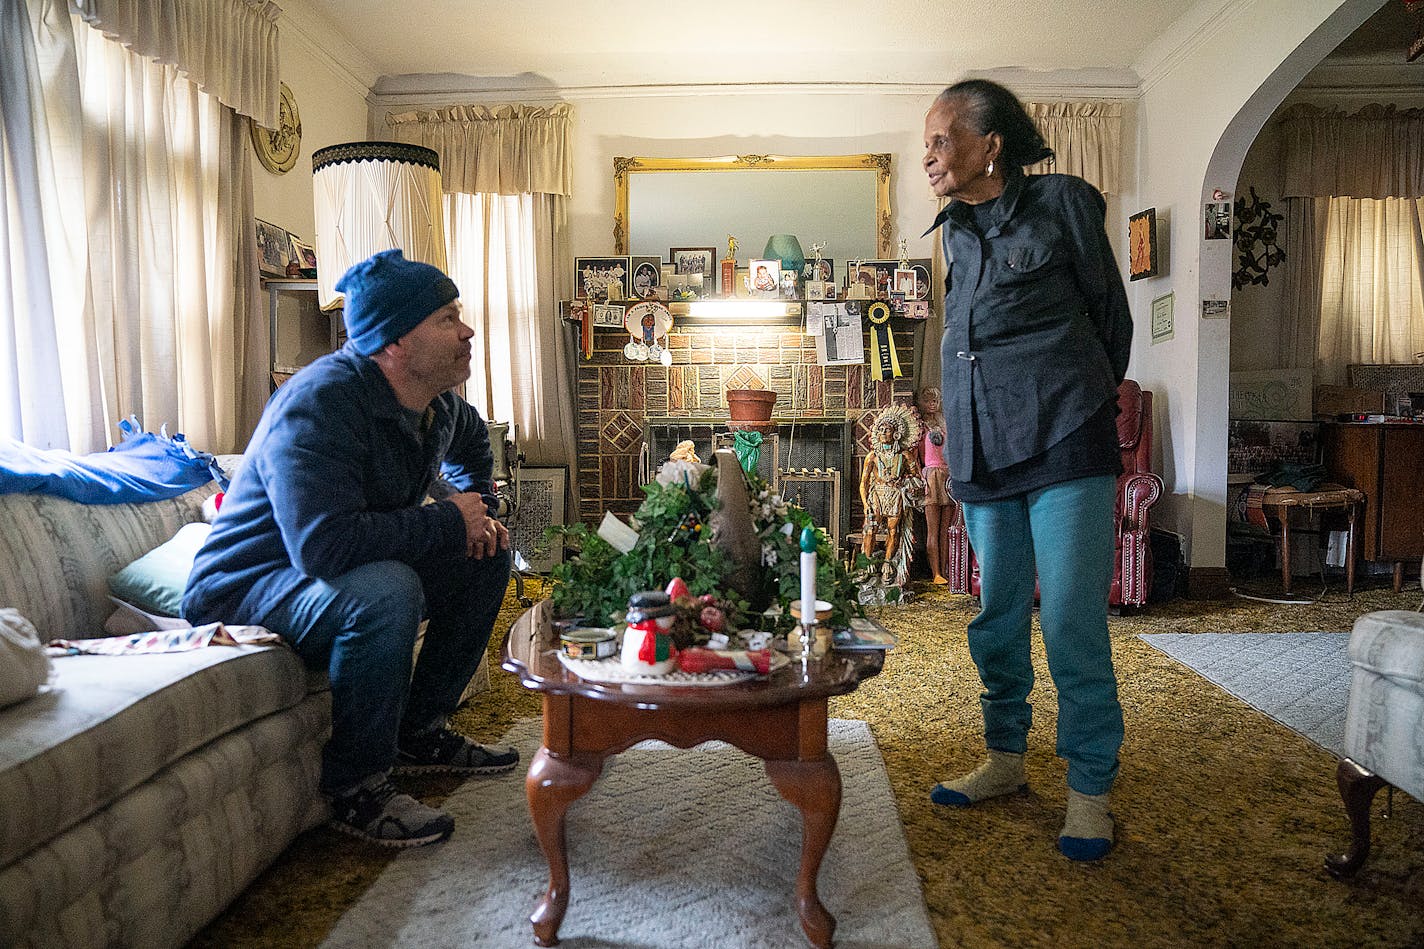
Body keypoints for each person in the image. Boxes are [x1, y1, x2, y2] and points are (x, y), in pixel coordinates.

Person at [183, 249, 519, 848]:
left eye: (459, 313)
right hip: (249, 583)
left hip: (321, 568)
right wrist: (448, 520)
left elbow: (472, 444)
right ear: (393, 343)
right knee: (387, 589)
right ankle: (357, 788)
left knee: (486, 553)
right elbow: (323, 547)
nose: (467, 330)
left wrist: (479, 511)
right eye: (446, 318)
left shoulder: (436, 404)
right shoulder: (320, 403)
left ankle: (419, 732)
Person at [922, 79, 1132, 861]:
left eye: (942, 140)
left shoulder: (1065, 202)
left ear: (990, 145)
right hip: (982, 447)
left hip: (1064, 439)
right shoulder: (953, 229)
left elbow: (1111, 317)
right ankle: (1006, 757)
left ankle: (1089, 789)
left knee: (1071, 616)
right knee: (996, 615)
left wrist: (1075, 395)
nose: (929, 158)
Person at [858, 404, 922, 586]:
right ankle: (866, 564)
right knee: (870, 529)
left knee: (894, 530)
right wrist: (865, 504)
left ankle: (887, 564)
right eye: (880, 429)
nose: (883, 432)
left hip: (895, 497)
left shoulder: (904, 455)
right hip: (876, 496)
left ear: (896, 434)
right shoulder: (872, 456)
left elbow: (917, 478)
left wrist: (905, 484)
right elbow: (863, 483)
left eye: (887, 429)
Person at [914, 386, 950, 584]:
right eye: (928, 401)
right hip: (931, 476)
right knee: (932, 530)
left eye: (935, 401)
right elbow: (917, 459)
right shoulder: (921, 428)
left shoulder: (945, 424)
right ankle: (935, 572)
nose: (932, 404)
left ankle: (945, 570)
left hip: (947, 475)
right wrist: (921, 480)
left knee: (946, 530)